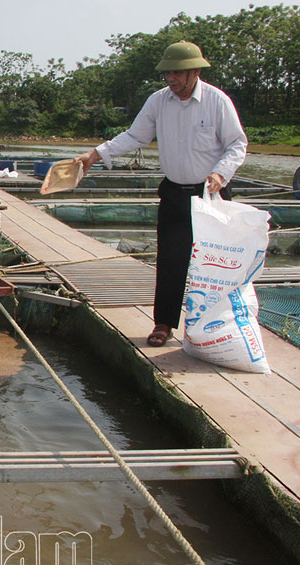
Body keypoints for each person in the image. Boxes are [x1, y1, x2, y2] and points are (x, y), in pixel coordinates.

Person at [75, 40, 247, 347]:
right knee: (170, 259)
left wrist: (221, 172)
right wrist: (95, 154)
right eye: (168, 73)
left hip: (210, 194)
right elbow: (135, 136)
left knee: (215, 264)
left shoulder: (216, 101)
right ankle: (164, 323)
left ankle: (217, 329)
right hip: (174, 193)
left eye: (178, 73)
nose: (172, 79)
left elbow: (237, 144)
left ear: (195, 71)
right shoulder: (158, 101)